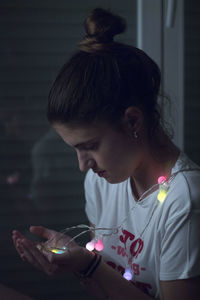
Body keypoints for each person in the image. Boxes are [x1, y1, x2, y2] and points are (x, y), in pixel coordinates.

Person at [12, 8, 200, 300]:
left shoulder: (185, 201)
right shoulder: (101, 182)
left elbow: (97, 273)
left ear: (133, 121)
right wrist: (77, 262)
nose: (82, 165)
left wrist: (88, 266)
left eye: (89, 146)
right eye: (75, 149)